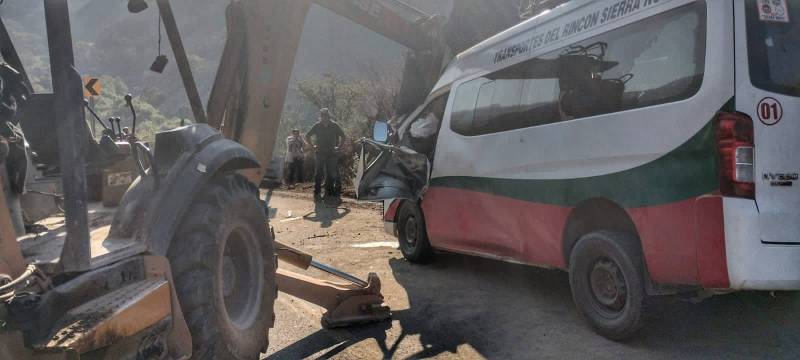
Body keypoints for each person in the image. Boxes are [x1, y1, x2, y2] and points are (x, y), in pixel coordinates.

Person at [305, 108, 345, 200]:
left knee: (330, 173)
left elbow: (343, 136)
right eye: (322, 116)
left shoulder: (334, 125)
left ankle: (328, 192)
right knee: (318, 173)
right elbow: (307, 135)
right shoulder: (317, 126)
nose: (324, 117)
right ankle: (317, 192)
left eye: (325, 115)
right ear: (320, 117)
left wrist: (339, 147)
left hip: (332, 153)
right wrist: (312, 146)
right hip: (320, 153)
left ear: (328, 116)